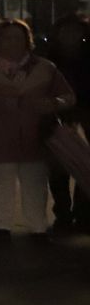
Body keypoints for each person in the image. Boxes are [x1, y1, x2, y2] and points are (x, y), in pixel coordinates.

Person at [0, 19, 75, 240]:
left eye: (17, 37)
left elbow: (68, 96)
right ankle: (2, 225)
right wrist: (2, 102)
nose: (12, 43)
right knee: (0, 180)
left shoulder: (45, 68)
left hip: (35, 135)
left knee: (35, 181)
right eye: (6, 37)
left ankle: (38, 226)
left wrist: (53, 103)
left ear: (27, 40)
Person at [42, 14, 90, 231]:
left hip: (86, 114)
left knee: (85, 164)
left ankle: (83, 213)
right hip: (58, 116)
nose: (70, 36)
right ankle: (62, 213)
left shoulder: (86, 55)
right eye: (65, 31)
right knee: (58, 167)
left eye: (75, 31)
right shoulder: (48, 58)